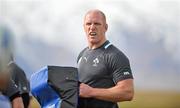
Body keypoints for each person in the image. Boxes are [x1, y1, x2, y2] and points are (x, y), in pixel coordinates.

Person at [77, 9, 134, 108]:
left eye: (97, 24)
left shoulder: (115, 56)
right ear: (84, 27)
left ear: (105, 27)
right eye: (88, 24)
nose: (92, 27)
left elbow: (127, 92)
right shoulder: (81, 55)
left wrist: (91, 92)